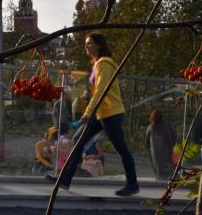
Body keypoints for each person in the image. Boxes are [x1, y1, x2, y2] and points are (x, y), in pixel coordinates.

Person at [46, 32, 139, 196]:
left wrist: (88, 112)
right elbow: (96, 91)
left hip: (110, 113)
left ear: (99, 45)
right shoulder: (97, 63)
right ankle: (65, 180)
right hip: (101, 112)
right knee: (77, 139)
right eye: (85, 44)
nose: (86, 46)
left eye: (89, 43)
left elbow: (102, 90)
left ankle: (132, 185)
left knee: (122, 149)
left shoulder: (104, 63)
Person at [145, 109, 176, 181]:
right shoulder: (167, 126)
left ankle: (159, 182)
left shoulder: (150, 128)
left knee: (159, 175)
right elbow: (174, 138)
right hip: (168, 154)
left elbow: (146, 144)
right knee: (170, 173)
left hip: (155, 156)